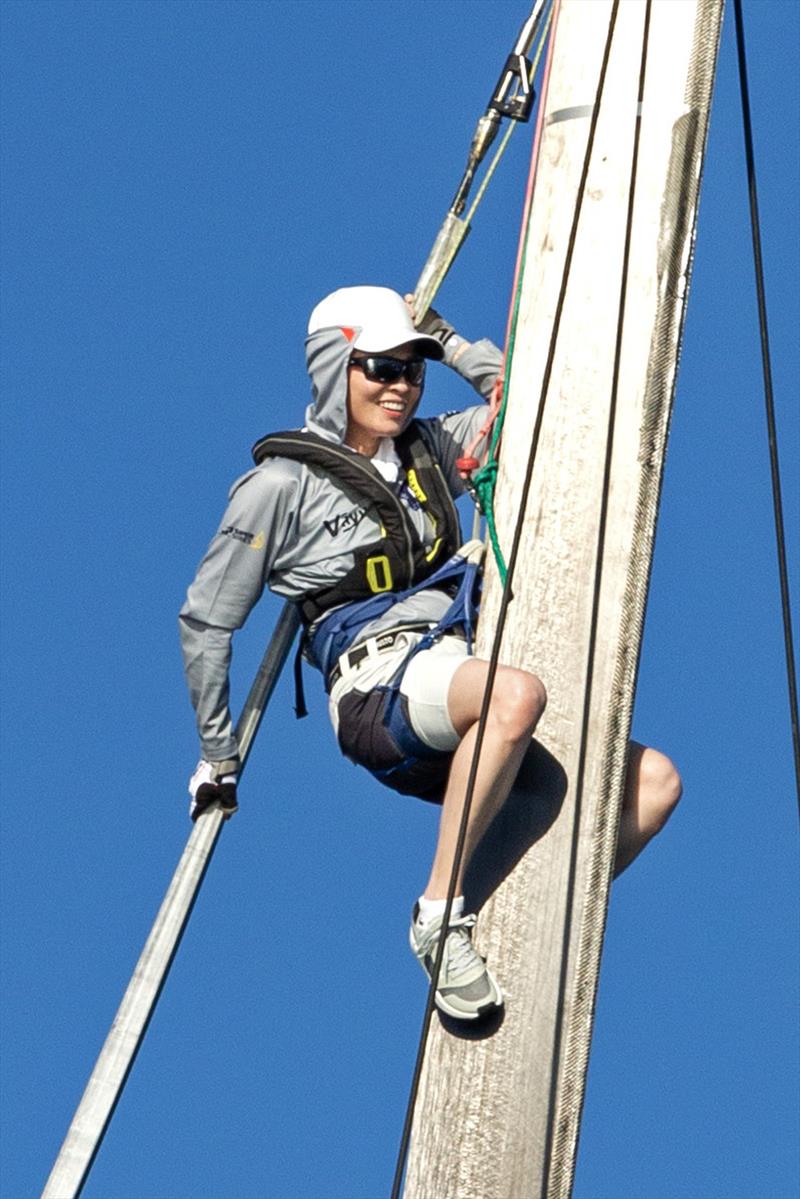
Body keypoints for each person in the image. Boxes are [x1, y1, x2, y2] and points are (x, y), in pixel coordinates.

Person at [180, 286, 682, 1022]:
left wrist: (443, 336)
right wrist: (217, 754)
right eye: (380, 366)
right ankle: (438, 917)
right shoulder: (279, 488)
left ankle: (523, 915)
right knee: (517, 696)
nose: (400, 386)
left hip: (460, 684)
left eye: (412, 370)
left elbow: (533, 399)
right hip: (379, 688)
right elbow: (205, 620)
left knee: (652, 782)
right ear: (333, 369)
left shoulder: (434, 449)